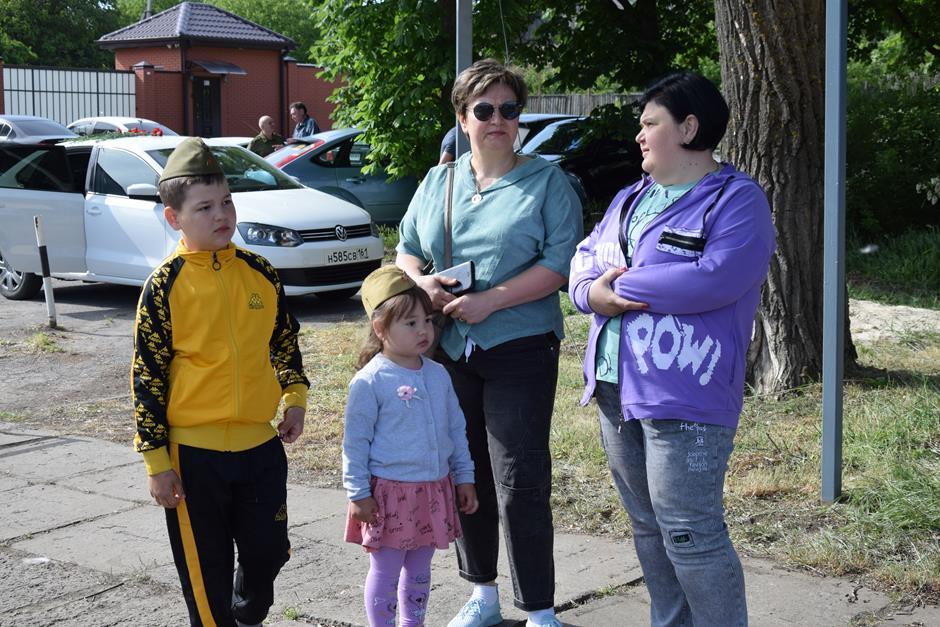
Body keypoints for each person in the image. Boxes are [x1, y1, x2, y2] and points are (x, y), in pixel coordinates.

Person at [568, 71, 776, 626]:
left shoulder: (737, 200)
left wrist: (616, 289)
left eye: (649, 123)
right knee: (649, 528)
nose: (639, 135)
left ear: (688, 128)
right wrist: (590, 293)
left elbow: (716, 278)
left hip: (687, 394)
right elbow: (583, 260)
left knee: (689, 532)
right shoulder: (629, 198)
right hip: (615, 388)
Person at [396, 58, 583, 627]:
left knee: (520, 479)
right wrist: (421, 282)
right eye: (484, 109)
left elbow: (560, 264)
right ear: (463, 117)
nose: (498, 119)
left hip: (520, 345)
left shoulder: (547, 182)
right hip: (451, 348)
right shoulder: (439, 182)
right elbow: (406, 248)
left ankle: (540, 608)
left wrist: (492, 301)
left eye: (509, 109)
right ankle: (482, 591)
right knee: (465, 472)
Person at [131, 137, 309, 627]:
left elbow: (285, 342)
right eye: (205, 207)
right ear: (174, 218)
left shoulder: (260, 272)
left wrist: (294, 398)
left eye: (226, 202)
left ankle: (247, 609)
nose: (221, 214)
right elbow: (147, 377)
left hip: (260, 449)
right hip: (194, 458)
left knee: (268, 552)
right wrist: (157, 463)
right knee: (206, 580)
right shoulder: (163, 286)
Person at [343, 265, 479, 627]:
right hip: (388, 496)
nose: (424, 331)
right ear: (380, 328)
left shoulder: (438, 374)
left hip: (432, 490)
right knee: (386, 570)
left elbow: (456, 430)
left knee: (420, 570)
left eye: (427, 321)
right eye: (411, 323)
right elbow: (355, 443)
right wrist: (358, 493)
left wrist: (464, 477)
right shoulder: (370, 381)